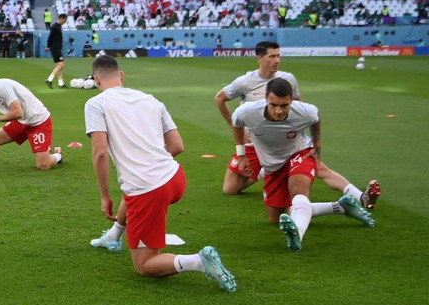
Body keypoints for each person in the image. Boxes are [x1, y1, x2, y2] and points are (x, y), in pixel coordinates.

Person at [82, 55, 237, 291]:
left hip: (150, 190)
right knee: (131, 187)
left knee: (144, 265)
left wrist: (104, 196)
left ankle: (198, 261)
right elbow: (177, 146)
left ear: (96, 80)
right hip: (175, 178)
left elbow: (100, 153)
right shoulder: (151, 100)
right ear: (121, 75)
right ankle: (113, 237)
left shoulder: (96, 104)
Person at [232, 79, 379, 251]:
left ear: (291, 101)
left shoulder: (303, 111)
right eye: (273, 105)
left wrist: (317, 143)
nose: (278, 111)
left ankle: (297, 235)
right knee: (276, 217)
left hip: (299, 153)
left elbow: (315, 117)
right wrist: (241, 154)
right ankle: (341, 207)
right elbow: (236, 123)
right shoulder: (247, 112)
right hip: (273, 167)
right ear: (266, 99)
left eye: (284, 105)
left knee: (298, 189)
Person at [213, 41, 302, 197]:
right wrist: (233, 126)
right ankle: (264, 171)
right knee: (230, 189)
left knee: (297, 186)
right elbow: (219, 99)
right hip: (254, 140)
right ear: (259, 58)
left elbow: (298, 104)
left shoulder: (287, 79)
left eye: (278, 56)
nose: (277, 60)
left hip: (281, 140)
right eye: (272, 57)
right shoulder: (246, 81)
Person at [44, 14, 68, 88]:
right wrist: (48, 46)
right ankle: (49, 79)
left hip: (56, 48)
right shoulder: (55, 27)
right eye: (65, 20)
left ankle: (61, 84)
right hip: (55, 49)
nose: (65, 22)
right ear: (61, 18)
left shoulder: (58, 26)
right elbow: (50, 37)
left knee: (58, 67)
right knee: (61, 65)